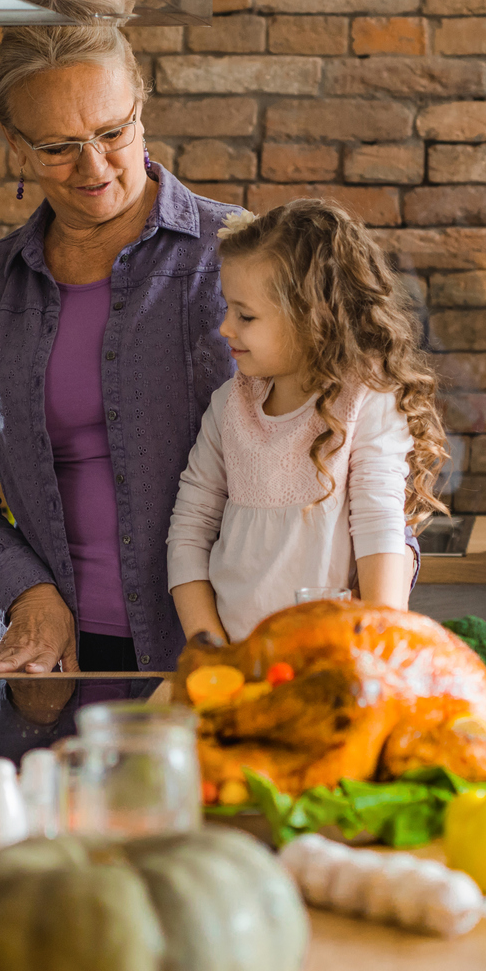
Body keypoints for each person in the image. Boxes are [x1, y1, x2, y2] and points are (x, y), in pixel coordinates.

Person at [0, 22, 238, 738]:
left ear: (142, 108)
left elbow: (339, 437)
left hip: (220, 649)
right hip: (57, 664)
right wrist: (24, 590)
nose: (93, 166)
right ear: (14, 146)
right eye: (58, 148)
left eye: (112, 131)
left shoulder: (237, 253)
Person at [167, 200, 448, 641]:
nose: (225, 328)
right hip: (241, 664)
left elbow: (381, 528)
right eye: (228, 309)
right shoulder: (228, 405)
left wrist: (376, 650)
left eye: (246, 315)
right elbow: (189, 529)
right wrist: (211, 650)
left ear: (312, 318)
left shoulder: (365, 403)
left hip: (335, 658)